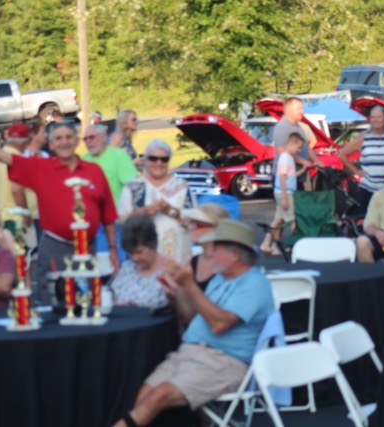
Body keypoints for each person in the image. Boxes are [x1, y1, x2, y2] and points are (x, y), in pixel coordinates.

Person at [112, 219, 274, 427]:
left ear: (235, 255)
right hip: (191, 353)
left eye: (216, 248)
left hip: (225, 362)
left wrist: (190, 285)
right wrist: (176, 294)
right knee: (142, 395)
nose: (210, 253)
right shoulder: (221, 278)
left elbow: (219, 324)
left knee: (158, 396)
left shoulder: (254, 284)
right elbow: (193, 318)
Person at [0, 117, 119, 306]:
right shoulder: (40, 167)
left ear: (77, 141)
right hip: (55, 249)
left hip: (88, 249)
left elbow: (108, 215)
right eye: (59, 138)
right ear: (51, 144)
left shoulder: (94, 170)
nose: (64, 142)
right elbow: (0, 155)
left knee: (90, 305)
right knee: (54, 306)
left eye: (69, 137)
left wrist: (113, 249)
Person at [119, 139, 195, 263]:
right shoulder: (132, 187)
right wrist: (143, 212)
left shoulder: (181, 187)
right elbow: (122, 222)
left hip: (176, 260)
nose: (159, 163)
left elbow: (192, 222)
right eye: (153, 158)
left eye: (164, 159)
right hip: (141, 262)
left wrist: (170, 211)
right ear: (145, 160)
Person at [82, 124, 138, 260]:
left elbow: (134, 188)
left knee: (116, 263)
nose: (88, 141)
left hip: (116, 222)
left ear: (103, 138)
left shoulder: (119, 156)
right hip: (90, 224)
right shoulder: (83, 160)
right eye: (85, 139)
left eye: (92, 137)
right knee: (96, 265)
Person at [339, 105, 384, 213]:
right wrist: (356, 171)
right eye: (373, 117)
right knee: (368, 224)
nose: (376, 120)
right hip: (368, 188)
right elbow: (342, 154)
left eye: (379, 117)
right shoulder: (363, 137)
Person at [260, 132, 307, 254]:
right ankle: (296, 245)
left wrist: (302, 170)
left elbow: (290, 176)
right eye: (298, 147)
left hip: (282, 192)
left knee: (279, 219)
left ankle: (269, 244)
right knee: (292, 220)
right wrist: (285, 198)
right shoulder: (285, 158)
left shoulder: (288, 158)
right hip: (285, 193)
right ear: (292, 144)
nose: (299, 150)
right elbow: (282, 178)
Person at [111, 215, 169, 308]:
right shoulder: (127, 269)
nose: (134, 258)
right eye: (131, 253)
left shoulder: (168, 270)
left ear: (153, 245)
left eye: (139, 252)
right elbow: (115, 298)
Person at [272, 97, 324, 190]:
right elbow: (282, 152)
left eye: (302, 108)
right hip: (286, 179)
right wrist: (304, 162)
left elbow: (306, 147)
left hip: (298, 176)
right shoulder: (282, 127)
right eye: (299, 109)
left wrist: (316, 161)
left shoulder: (300, 127)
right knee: (290, 204)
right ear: (289, 111)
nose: (302, 111)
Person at [0, 122, 30, 226]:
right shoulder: (18, 160)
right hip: (16, 219)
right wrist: (25, 214)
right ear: (25, 142)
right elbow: (16, 190)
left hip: (1, 216)